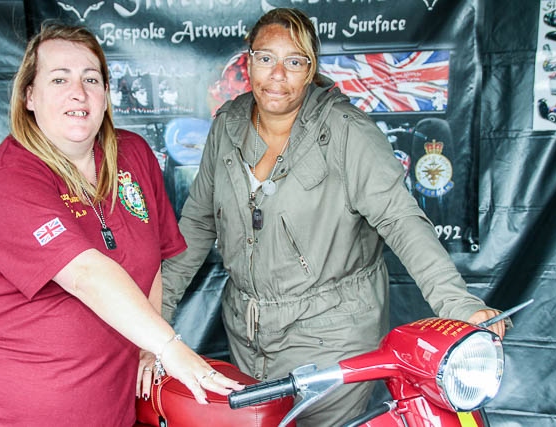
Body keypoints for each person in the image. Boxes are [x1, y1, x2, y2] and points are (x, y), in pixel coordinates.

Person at [161, 8, 507, 426]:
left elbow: (401, 220)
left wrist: (458, 304)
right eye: (265, 58)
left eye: (294, 62)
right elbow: (198, 224)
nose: (277, 74)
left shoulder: (348, 132)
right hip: (248, 333)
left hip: (331, 335)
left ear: (311, 71)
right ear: (247, 60)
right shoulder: (228, 126)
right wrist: (156, 317)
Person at [0, 22, 242, 427]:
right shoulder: (9, 177)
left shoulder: (134, 154)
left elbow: (154, 260)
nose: (78, 92)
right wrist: (169, 347)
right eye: (59, 78)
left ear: (106, 95)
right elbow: (86, 274)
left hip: (106, 410)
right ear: (29, 96)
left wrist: (146, 345)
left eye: (91, 78)